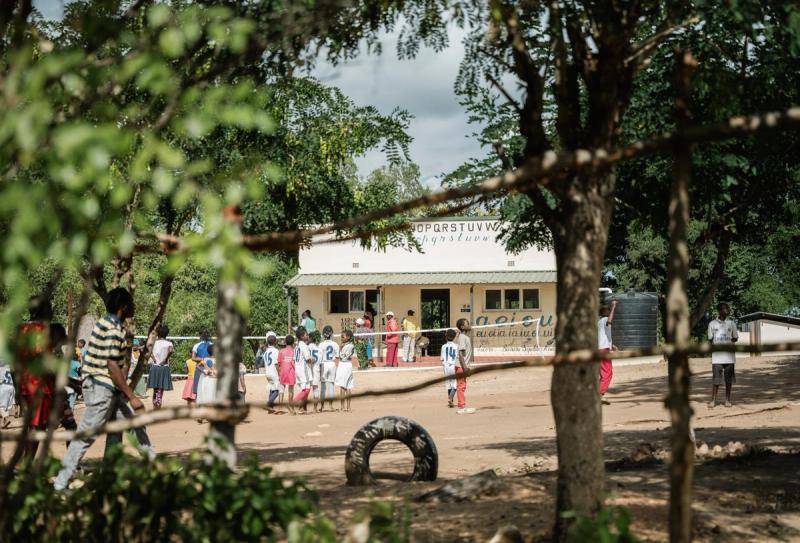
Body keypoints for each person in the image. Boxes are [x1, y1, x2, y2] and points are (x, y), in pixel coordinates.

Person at [54, 288, 153, 491]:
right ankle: (60, 483)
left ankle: (154, 466)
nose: (134, 307)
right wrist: (131, 396)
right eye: (131, 304)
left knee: (135, 423)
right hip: (101, 387)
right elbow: (111, 364)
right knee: (86, 436)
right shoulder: (113, 328)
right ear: (123, 307)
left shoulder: (108, 324)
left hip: (105, 387)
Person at [18, 297, 55, 458]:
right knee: (37, 427)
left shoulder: (22, 329)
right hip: (38, 385)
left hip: (25, 384)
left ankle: (24, 462)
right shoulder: (42, 330)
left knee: (31, 426)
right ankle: (26, 463)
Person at [708, 302, 739, 408]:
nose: (727, 311)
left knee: (728, 380)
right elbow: (710, 339)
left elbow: (735, 338)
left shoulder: (732, 324)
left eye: (728, 309)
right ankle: (713, 401)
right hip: (717, 357)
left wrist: (729, 339)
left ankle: (727, 400)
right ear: (720, 310)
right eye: (725, 309)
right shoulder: (712, 324)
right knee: (716, 380)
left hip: (729, 357)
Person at [147, 325, 174, 410]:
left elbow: (149, 350)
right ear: (167, 334)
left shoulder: (154, 342)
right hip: (163, 367)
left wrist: (154, 359)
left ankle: (155, 406)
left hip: (155, 366)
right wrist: (165, 359)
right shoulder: (169, 343)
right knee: (160, 389)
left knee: (155, 388)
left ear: (158, 333)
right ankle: (158, 406)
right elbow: (170, 351)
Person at [597, 300, 618, 404]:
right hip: (603, 350)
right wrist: (614, 306)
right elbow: (609, 321)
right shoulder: (605, 320)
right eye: (609, 310)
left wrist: (611, 345)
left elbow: (603, 335)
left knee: (601, 373)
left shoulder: (599, 322)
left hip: (599, 348)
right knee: (607, 373)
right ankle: (599, 395)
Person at [455, 318, 476, 414]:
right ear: (463, 327)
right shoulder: (462, 337)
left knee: (462, 386)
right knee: (461, 386)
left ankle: (462, 405)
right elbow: (460, 354)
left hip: (462, 366)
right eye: (468, 323)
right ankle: (462, 407)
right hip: (461, 366)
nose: (470, 325)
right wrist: (465, 367)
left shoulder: (464, 337)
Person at [292, 326, 313, 413]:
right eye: (306, 335)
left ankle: (301, 408)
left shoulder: (297, 346)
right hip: (304, 370)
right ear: (301, 337)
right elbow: (308, 359)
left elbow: (294, 359)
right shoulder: (304, 346)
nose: (307, 336)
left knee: (304, 389)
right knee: (307, 389)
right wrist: (313, 360)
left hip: (298, 369)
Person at [318, 325, 339, 412]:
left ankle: (322, 406)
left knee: (323, 387)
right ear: (331, 334)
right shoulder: (335, 344)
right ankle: (330, 405)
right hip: (332, 363)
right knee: (331, 386)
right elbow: (337, 358)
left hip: (324, 364)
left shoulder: (321, 344)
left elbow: (319, 358)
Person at [335, 330, 355, 412]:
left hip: (344, 365)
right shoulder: (349, 345)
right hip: (347, 365)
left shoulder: (349, 346)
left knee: (343, 387)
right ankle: (348, 407)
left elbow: (343, 357)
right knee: (348, 386)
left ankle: (343, 407)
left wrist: (340, 348)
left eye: (343, 336)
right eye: (341, 336)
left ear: (348, 337)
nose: (342, 338)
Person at [263, 332, 281, 412]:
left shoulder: (266, 352)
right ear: (275, 342)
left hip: (267, 372)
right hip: (274, 372)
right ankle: (269, 403)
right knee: (277, 390)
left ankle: (270, 407)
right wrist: (280, 373)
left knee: (272, 388)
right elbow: (276, 364)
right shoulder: (276, 351)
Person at [278, 335, 296, 414]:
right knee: (291, 389)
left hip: (283, 371)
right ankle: (290, 406)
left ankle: (280, 407)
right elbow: (294, 362)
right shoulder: (294, 351)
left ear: (285, 342)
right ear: (293, 343)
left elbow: (279, 363)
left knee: (281, 388)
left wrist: (280, 372)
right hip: (291, 371)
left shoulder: (281, 351)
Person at [441, 329, 459, 408]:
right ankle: (450, 398)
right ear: (454, 337)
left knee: (449, 384)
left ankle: (450, 401)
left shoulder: (443, 346)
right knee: (455, 384)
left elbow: (442, 358)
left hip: (446, 366)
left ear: (446, 337)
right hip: (453, 366)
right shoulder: (456, 346)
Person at [308, 330, 323, 413]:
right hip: (316, 370)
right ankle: (315, 408)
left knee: (306, 389)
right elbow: (320, 364)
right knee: (316, 389)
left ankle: (304, 408)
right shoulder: (319, 349)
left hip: (308, 370)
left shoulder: (307, 347)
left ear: (310, 338)